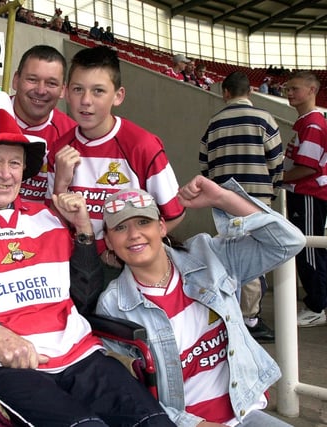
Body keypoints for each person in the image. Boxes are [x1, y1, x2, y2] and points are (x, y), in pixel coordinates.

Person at [0, 90, 175, 427]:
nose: (6, 173)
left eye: (14, 162)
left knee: (153, 422)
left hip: (79, 355)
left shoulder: (47, 218)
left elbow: (85, 297)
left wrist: (83, 233)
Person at [95, 176, 305, 427]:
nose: (134, 234)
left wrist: (224, 199)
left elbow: (288, 241)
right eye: (120, 228)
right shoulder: (113, 305)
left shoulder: (209, 256)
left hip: (244, 414)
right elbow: (127, 395)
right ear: (108, 241)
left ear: (162, 227)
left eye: (143, 222)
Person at [47, 45, 185, 277]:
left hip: (128, 268)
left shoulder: (142, 145)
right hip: (76, 265)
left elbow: (174, 214)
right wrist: (60, 184)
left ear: (118, 96)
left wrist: (126, 250)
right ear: (66, 92)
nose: (86, 100)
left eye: (98, 91)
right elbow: (55, 221)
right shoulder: (60, 149)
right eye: (78, 89)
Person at [199, 71, 284, 343]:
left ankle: (234, 312)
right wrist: (272, 186)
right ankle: (249, 318)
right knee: (253, 258)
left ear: (225, 92)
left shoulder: (213, 123)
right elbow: (276, 161)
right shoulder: (265, 119)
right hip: (257, 200)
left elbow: (205, 164)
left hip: (224, 199)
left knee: (230, 254)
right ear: (250, 92)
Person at [283, 70, 327, 327]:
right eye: (287, 89)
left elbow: (309, 167)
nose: (289, 93)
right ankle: (318, 301)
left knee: (307, 248)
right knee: (311, 247)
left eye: (295, 88)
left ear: (312, 90)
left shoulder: (312, 124)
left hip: (309, 193)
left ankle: (316, 306)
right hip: (305, 193)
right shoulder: (306, 122)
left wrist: (281, 177)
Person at [11, 45, 76, 203]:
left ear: (62, 90)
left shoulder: (72, 134)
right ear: (16, 80)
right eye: (32, 80)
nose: (41, 90)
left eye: (51, 83)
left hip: (43, 225)